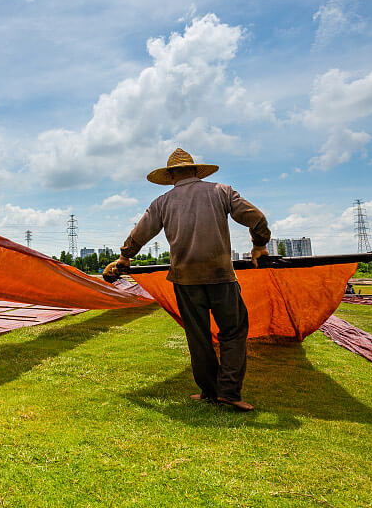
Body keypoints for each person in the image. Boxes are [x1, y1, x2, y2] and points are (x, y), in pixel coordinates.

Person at [103, 148, 270, 411]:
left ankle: (209, 391)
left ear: (170, 177)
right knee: (233, 332)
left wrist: (125, 257)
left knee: (198, 336)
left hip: (185, 280)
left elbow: (140, 233)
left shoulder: (162, 202)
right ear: (195, 171)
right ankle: (228, 392)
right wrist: (259, 245)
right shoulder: (221, 191)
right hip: (221, 277)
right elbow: (256, 218)